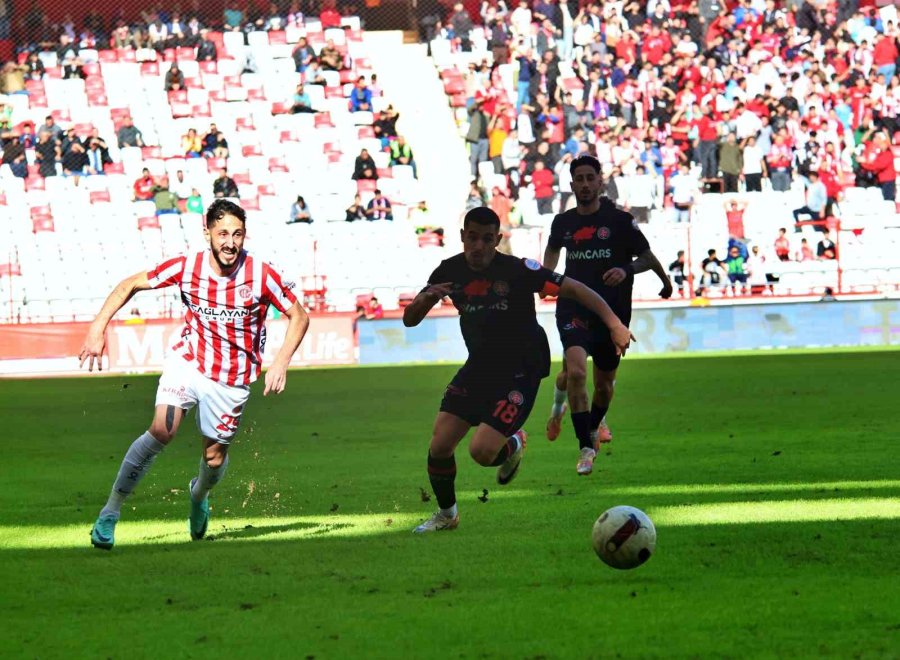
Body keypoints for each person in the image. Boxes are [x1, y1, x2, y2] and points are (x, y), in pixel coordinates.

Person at [80, 199, 309, 550]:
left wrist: (281, 361)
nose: (230, 242)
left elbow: (299, 315)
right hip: (188, 361)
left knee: (213, 458)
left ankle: (199, 495)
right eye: (222, 234)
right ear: (207, 233)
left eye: (237, 234)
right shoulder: (188, 266)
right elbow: (131, 283)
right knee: (161, 430)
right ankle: (110, 511)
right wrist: (98, 327)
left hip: (231, 378)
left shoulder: (261, 274)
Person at [406, 207, 633, 533]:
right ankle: (446, 514)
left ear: (497, 239)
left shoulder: (517, 270)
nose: (479, 246)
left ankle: (512, 442)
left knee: (482, 452)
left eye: (487, 239)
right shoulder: (448, 270)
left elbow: (576, 289)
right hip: (480, 365)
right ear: (463, 237)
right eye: (473, 238)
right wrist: (424, 300)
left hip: (522, 366)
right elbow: (410, 319)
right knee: (440, 445)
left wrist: (614, 324)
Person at [543, 156, 672, 475]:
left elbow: (647, 257)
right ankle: (585, 447)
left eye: (591, 178)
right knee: (575, 372)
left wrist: (631, 270)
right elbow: (552, 251)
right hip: (573, 308)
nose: (585, 184)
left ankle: (589, 422)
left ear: (601, 182)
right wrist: (545, 278)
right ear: (572, 185)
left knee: (604, 387)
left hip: (612, 313)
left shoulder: (620, 221)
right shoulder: (562, 223)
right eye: (579, 179)